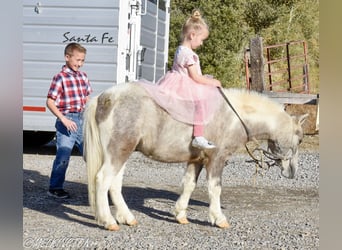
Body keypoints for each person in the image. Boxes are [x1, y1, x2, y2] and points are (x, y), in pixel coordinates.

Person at [140, 10, 222, 149]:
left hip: (174, 81)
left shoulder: (180, 49)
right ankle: (198, 136)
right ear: (192, 35)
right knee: (200, 104)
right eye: (201, 40)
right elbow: (195, 77)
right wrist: (213, 82)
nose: (201, 44)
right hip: (185, 84)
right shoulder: (189, 55)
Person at [46, 43, 92, 198]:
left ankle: (97, 188)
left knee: (92, 154)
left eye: (82, 60)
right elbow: (50, 102)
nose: (79, 63)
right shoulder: (60, 78)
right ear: (67, 57)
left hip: (82, 119)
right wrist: (63, 119)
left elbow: (86, 97)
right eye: (77, 60)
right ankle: (55, 187)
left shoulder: (83, 76)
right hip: (67, 121)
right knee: (63, 156)